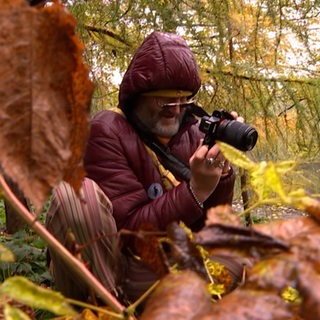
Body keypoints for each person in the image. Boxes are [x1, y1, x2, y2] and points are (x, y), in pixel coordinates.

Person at [45, 31, 243, 305]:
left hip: (170, 257)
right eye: (165, 102)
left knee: (238, 254)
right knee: (77, 195)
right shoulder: (107, 131)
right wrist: (195, 190)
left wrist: (221, 177)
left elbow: (211, 226)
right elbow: (129, 234)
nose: (175, 110)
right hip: (118, 262)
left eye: (183, 100)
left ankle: (185, 299)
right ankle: (111, 305)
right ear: (139, 97)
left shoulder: (194, 132)